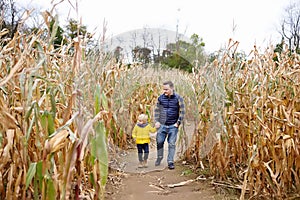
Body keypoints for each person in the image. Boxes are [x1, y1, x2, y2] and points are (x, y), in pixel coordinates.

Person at [154, 81, 185, 170]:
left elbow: (182, 111)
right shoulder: (160, 98)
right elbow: (157, 110)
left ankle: (170, 161)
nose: (164, 91)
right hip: (162, 125)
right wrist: (156, 121)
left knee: (171, 144)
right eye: (163, 89)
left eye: (166, 89)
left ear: (172, 88)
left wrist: (178, 123)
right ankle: (159, 157)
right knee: (159, 142)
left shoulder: (178, 98)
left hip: (173, 125)